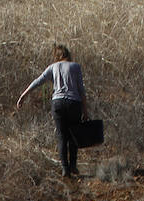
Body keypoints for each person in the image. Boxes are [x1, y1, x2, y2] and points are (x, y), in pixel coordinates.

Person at [16, 44, 89, 178]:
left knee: (61, 136)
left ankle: (64, 169)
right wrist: (85, 110)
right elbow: (81, 90)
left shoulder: (53, 67)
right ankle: (73, 165)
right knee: (73, 136)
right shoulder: (75, 67)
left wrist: (23, 95)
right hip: (74, 103)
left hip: (58, 103)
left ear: (57, 56)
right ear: (68, 54)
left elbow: (38, 81)